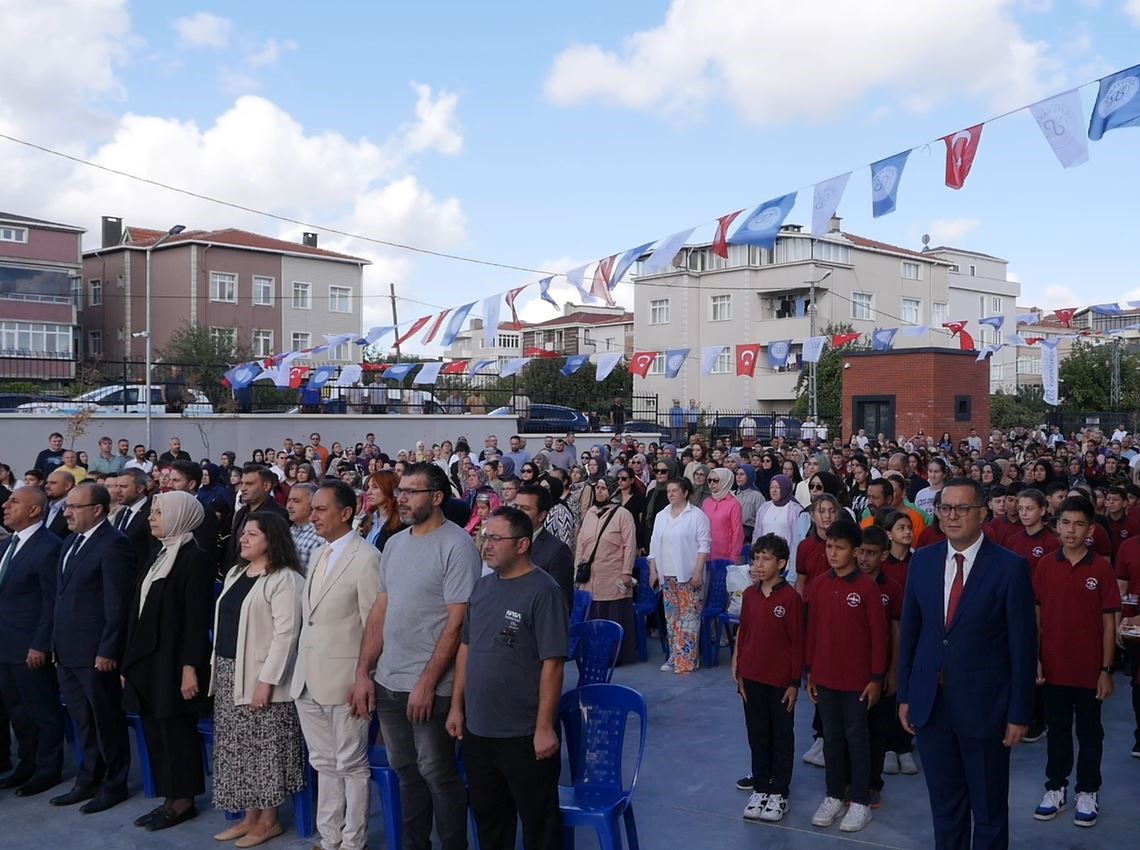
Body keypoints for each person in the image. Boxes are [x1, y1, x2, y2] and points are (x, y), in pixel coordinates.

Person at [897, 477, 1037, 850]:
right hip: (932, 705)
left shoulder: (1010, 568)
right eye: (945, 508)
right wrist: (906, 693)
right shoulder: (923, 562)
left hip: (985, 710)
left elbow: (1024, 647)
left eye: (962, 508)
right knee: (945, 807)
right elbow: (911, 631)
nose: (952, 516)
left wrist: (1019, 713)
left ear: (982, 514)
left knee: (989, 811)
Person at [349, 462, 480, 850]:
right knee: (406, 772)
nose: (401, 498)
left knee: (438, 775)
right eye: (400, 490)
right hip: (389, 682)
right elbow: (380, 611)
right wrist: (364, 672)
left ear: (436, 498)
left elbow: (457, 625)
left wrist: (427, 683)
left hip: (432, 688)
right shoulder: (394, 543)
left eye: (411, 492)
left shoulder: (457, 547)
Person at [446, 507, 568, 850]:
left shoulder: (544, 592)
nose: (486, 544)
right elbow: (466, 649)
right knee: (490, 825)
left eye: (497, 538)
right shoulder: (483, 588)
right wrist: (457, 708)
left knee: (539, 828)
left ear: (522, 544)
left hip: (524, 734)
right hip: (479, 731)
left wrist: (544, 727)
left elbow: (553, 664)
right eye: (485, 537)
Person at [291, 482, 381, 850]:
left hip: (345, 680)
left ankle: (353, 840)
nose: (313, 516)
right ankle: (329, 838)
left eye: (321, 509)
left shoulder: (366, 558)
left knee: (351, 764)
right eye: (311, 509)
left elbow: (373, 624)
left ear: (346, 513)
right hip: (308, 677)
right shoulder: (320, 555)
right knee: (323, 762)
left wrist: (364, 676)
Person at [210, 511, 306, 847]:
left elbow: (286, 635)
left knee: (264, 750)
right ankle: (249, 817)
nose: (243, 539)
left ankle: (269, 820)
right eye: (243, 533)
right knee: (238, 750)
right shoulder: (237, 572)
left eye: (252, 534)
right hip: (228, 670)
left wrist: (266, 680)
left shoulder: (285, 579)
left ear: (271, 540)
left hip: (261, 676)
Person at [121, 491, 214, 831]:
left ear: (179, 515)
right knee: (154, 726)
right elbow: (139, 609)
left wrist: (190, 667)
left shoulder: (195, 558)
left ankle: (183, 800)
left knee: (176, 728)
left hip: (175, 661)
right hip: (148, 657)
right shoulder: (159, 554)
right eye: (152, 512)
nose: (151, 517)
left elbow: (195, 618)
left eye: (159, 512)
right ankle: (167, 797)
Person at [1031, 496, 1119, 827]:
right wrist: (1035, 659)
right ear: (1056, 526)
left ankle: (1088, 790)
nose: (1071, 530)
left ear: (1090, 529)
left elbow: (1109, 622)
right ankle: (1056, 787)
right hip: (1052, 668)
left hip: (1088, 670)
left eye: (1079, 524)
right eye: (1065, 522)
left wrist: (1106, 670)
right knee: (1057, 732)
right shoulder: (1044, 566)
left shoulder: (1100, 568)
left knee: (1090, 732)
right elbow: (1037, 615)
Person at [51, 482, 136, 813]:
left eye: (74, 507)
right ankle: (88, 778)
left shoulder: (114, 545)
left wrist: (107, 649)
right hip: (67, 649)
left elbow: (117, 604)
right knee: (82, 720)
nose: (66, 512)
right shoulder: (70, 541)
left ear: (97, 510)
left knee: (105, 720)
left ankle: (114, 783)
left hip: (95, 652)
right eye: (67, 506)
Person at [805, 521, 886, 834]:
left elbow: (880, 638)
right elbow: (813, 631)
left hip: (857, 681)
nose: (833, 553)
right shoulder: (820, 585)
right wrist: (810, 671)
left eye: (839, 548)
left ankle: (860, 802)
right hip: (825, 677)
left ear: (855, 551)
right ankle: (834, 795)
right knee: (832, 740)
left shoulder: (866, 587)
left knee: (857, 739)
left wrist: (876, 677)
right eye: (829, 547)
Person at [733, 534, 802, 823]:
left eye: (766, 558)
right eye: (756, 557)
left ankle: (779, 792)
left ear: (782, 564)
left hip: (780, 682)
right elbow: (744, 632)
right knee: (757, 733)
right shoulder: (749, 595)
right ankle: (761, 787)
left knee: (781, 736)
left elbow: (798, 643)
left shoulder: (790, 599)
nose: (759, 563)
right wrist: (739, 669)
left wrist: (794, 682)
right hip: (752, 678)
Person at [0, 486, 63, 797]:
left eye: (14, 501)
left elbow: (52, 602)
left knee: (41, 708)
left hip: (29, 645)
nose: (6, 506)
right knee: (17, 709)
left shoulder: (49, 547)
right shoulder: (8, 545)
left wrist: (41, 644)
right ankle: (26, 763)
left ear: (35, 510)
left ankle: (47, 768)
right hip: (5, 643)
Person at [855, 524, 905, 805]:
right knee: (852, 731)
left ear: (883, 556)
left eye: (871, 553)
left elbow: (896, 631)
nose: (863, 559)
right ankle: (850, 782)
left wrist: (893, 670)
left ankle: (873, 784)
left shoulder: (893, 589)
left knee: (875, 732)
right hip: (852, 670)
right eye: (860, 552)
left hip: (881, 672)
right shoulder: (846, 582)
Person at [648, 476, 712, 674]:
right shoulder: (662, 515)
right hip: (667, 575)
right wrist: (653, 570)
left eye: (675, 491)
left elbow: (704, 545)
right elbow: (654, 544)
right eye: (668, 491)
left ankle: (687, 659)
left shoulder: (696, 516)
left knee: (689, 619)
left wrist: (698, 571)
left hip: (688, 575)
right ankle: (674, 656)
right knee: (672, 618)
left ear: (685, 493)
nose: (671, 494)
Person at [575, 477, 639, 665]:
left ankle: (613, 655)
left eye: (604, 488)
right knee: (592, 615)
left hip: (613, 575)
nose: (600, 491)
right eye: (598, 488)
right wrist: (577, 569)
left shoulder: (623, 514)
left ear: (612, 491)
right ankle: (593, 653)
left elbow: (629, 545)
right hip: (589, 577)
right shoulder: (590, 513)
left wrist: (626, 571)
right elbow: (581, 543)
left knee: (612, 614)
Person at [515, 484, 574, 612]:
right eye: (516, 507)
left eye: (525, 508)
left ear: (541, 515)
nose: (517, 513)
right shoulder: (506, 542)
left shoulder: (557, 551)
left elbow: (560, 603)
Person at [112, 468, 156, 568]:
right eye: (116, 486)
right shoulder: (121, 514)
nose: (117, 491)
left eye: (123, 486)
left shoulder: (152, 513)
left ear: (140, 488)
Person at [703, 467, 744, 563]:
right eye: (709, 480)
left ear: (725, 481)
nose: (711, 483)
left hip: (725, 557)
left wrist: (734, 556)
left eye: (715, 480)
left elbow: (737, 533)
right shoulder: (707, 502)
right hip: (706, 555)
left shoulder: (733, 504)